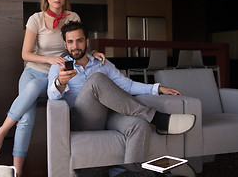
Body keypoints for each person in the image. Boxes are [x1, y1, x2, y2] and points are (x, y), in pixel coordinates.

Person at [0, 0, 105, 177]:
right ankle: (17, 171)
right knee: (26, 119)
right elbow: (25, 54)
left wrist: (94, 54)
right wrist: (49, 59)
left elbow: (78, 45)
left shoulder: (73, 16)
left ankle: (2, 130)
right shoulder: (36, 19)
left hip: (57, 76)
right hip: (33, 71)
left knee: (39, 93)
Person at [47, 21, 196, 163]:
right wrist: (61, 82)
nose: (75, 46)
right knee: (97, 79)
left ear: (87, 42)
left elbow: (127, 86)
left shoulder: (102, 62)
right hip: (82, 119)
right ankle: (157, 118)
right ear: (65, 44)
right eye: (70, 42)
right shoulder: (59, 66)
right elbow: (52, 96)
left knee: (140, 125)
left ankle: (130, 172)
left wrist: (157, 88)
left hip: (108, 115)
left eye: (79, 41)